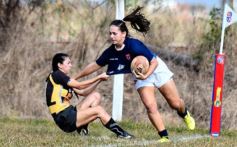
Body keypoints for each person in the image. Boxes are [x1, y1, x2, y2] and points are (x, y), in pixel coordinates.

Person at [73, 6, 195, 143]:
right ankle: (164, 137)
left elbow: (153, 62)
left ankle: (184, 114)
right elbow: (95, 65)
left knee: (175, 103)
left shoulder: (134, 45)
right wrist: (75, 78)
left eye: (115, 33)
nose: (111, 36)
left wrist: (146, 74)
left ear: (123, 34)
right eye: (110, 33)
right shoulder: (110, 52)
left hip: (156, 69)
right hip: (140, 75)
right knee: (150, 106)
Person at [45, 53, 133, 139]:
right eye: (68, 63)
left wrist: (100, 80)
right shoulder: (57, 75)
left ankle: (82, 127)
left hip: (69, 113)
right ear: (59, 65)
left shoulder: (62, 78)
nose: (71, 65)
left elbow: (83, 92)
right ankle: (121, 133)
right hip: (64, 118)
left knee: (95, 96)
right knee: (99, 110)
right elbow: (80, 85)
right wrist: (98, 77)